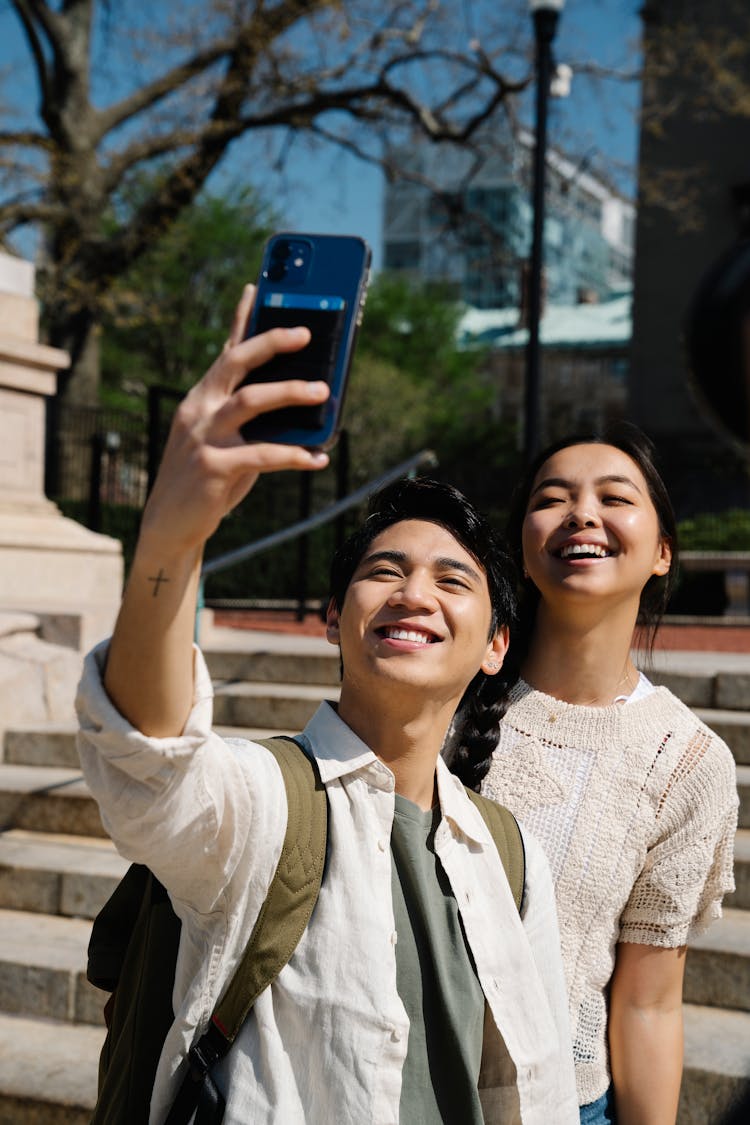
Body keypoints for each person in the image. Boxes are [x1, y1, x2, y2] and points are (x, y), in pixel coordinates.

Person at [76, 285, 578, 1124]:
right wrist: (172, 531)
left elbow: (541, 1091)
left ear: (497, 646)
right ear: (335, 620)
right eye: (383, 572)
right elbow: (148, 756)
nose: (414, 592)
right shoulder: (267, 801)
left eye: (452, 580)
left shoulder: (508, 853)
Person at [446, 424, 738, 1125]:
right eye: (554, 498)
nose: (582, 513)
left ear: (662, 551)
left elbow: (648, 1001)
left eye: (614, 497)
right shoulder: (442, 693)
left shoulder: (686, 761)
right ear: (522, 542)